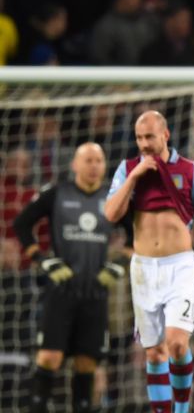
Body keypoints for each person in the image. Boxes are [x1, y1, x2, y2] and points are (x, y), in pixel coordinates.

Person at [104, 111, 194, 413]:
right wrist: (134, 177)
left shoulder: (189, 169)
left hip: (181, 267)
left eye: (150, 137)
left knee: (176, 344)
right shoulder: (127, 168)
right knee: (155, 354)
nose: (144, 144)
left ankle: (182, 409)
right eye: (139, 138)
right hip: (144, 270)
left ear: (165, 135)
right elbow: (110, 214)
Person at [13, 143, 131, 413]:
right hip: (61, 292)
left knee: (87, 363)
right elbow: (22, 223)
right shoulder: (57, 194)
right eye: (88, 160)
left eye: (99, 160)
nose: (94, 166)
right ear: (75, 165)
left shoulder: (113, 199)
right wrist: (42, 260)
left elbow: (135, 234)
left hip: (96, 293)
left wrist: (120, 264)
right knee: (49, 357)